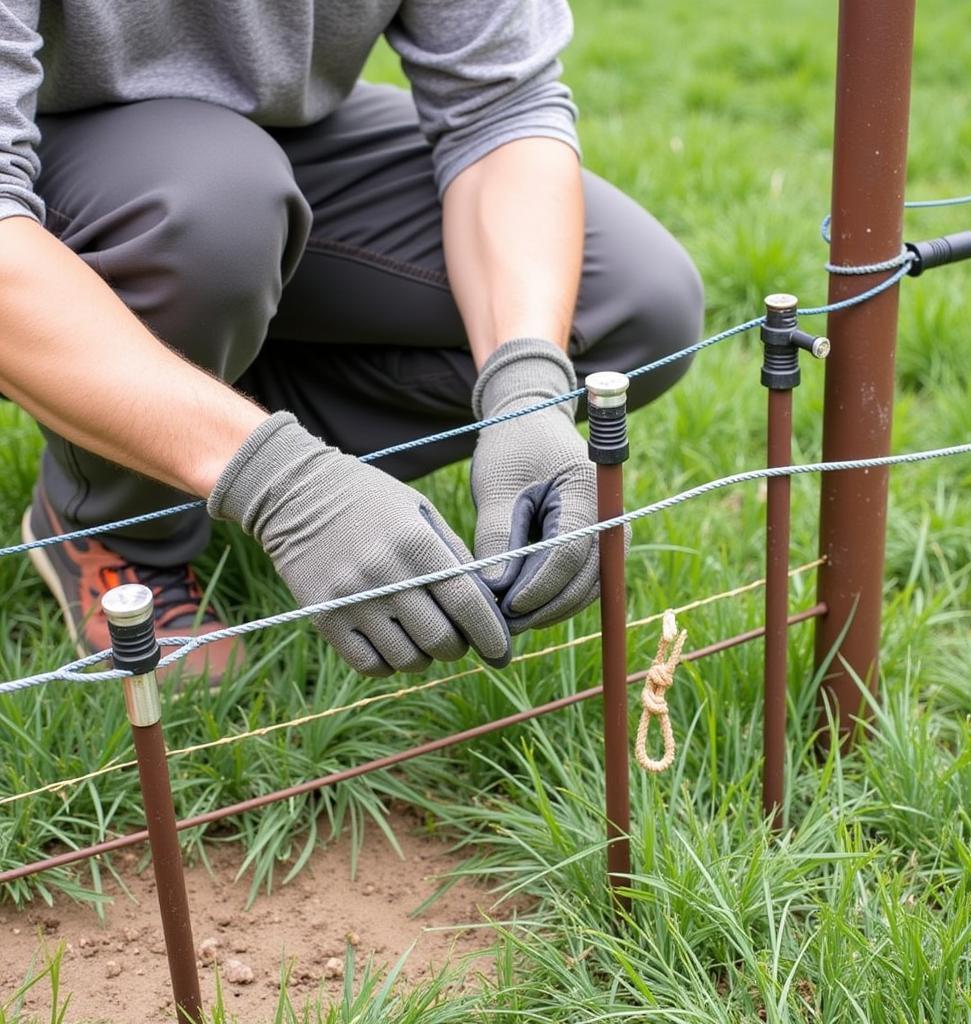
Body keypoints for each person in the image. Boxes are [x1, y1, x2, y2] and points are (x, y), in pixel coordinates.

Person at [0, 1, 704, 682]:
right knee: (215, 212)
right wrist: (283, 484)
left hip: (287, 140)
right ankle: (115, 523)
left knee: (633, 303)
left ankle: (204, 397)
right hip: (60, 151)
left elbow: (502, 110)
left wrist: (527, 388)